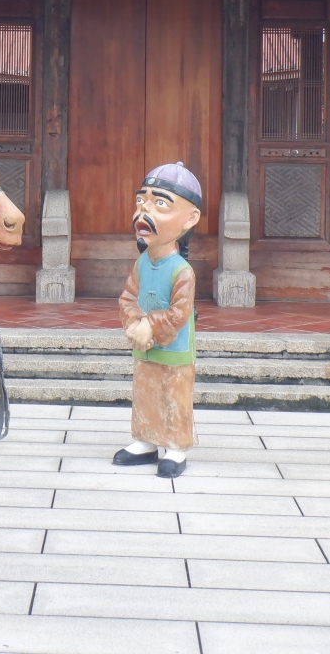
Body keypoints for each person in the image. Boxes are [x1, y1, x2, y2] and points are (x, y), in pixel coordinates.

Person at [112, 162, 202, 479]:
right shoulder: (141, 263)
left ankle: (176, 446)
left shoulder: (182, 271)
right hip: (145, 345)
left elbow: (180, 312)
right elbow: (127, 297)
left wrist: (150, 325)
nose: (144, 212)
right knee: (146, 391)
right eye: (141, 201)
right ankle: (145, 441)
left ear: (189, 219)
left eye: (160, 203)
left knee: (174, 395)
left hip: (173, 348)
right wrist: (134, 324)